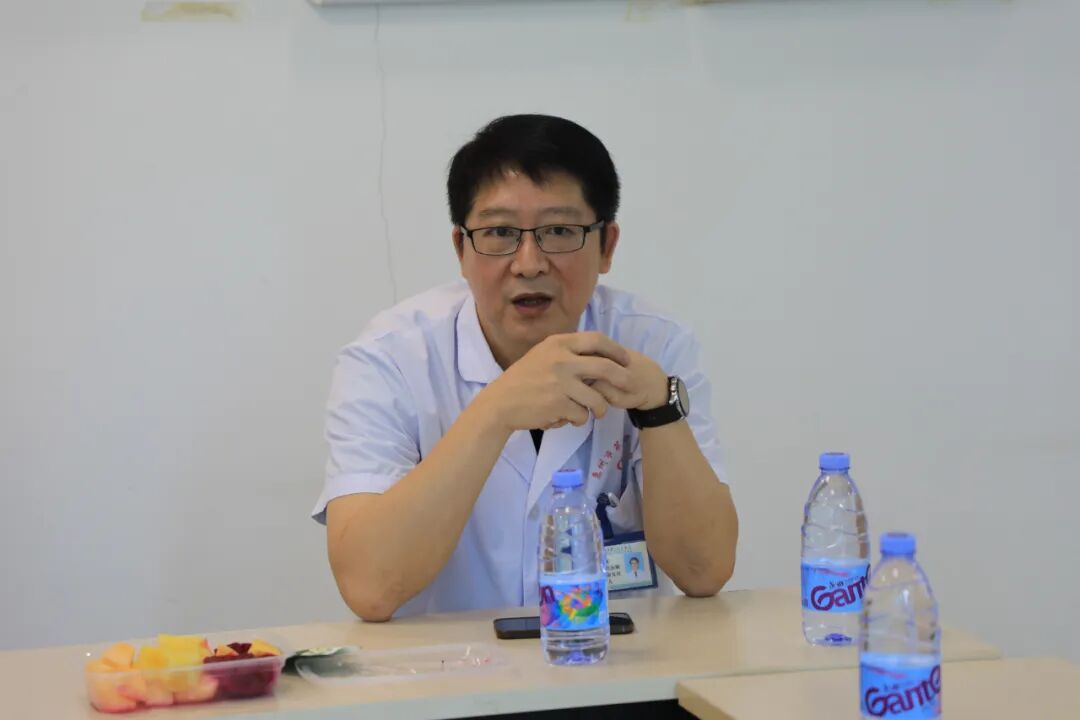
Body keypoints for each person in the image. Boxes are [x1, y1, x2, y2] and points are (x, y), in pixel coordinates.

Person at [313, 114, 738, 622]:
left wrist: (659, 410)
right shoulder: (390, 360)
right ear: (461, 249)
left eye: (559, 231)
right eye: (500, 233)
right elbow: (369, 586)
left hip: (615, 661)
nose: (530, 263)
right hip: (447, 668)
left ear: (607, 246)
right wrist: (495, 411)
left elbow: (705, 571)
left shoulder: (654, 344)